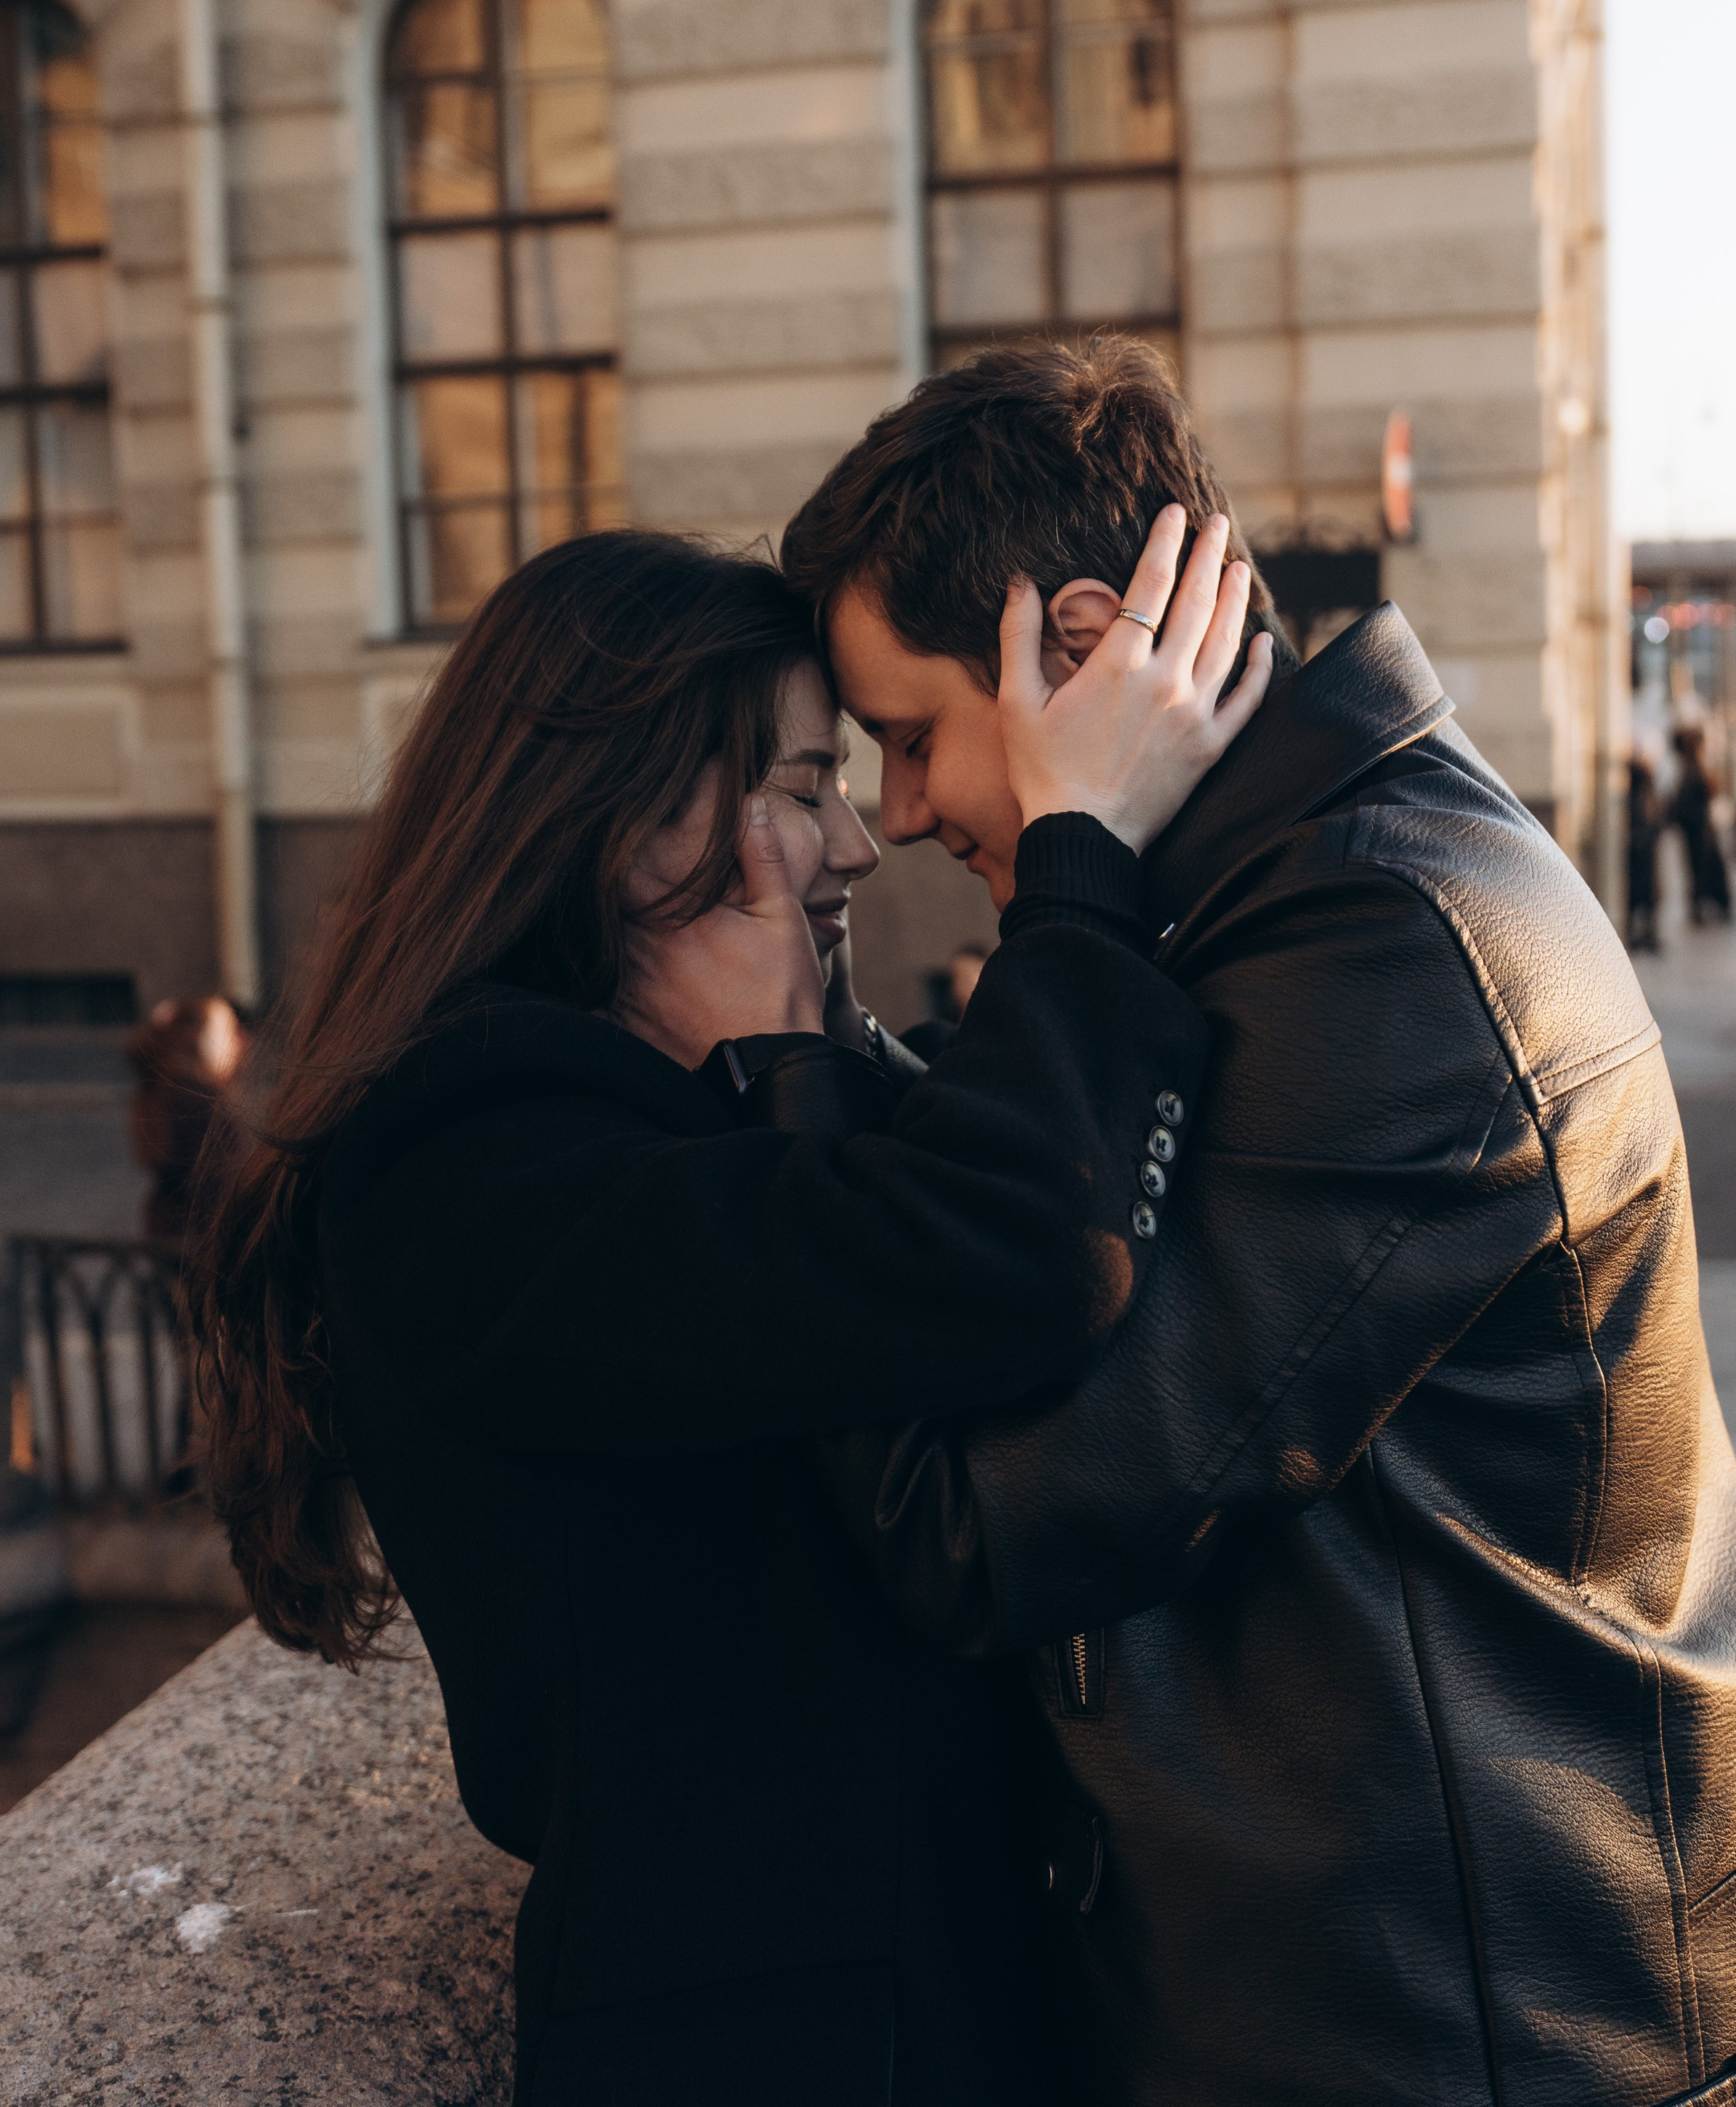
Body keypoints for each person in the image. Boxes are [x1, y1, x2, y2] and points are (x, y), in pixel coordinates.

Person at [782, 338, 1736, 2107]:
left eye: (907, 739)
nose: (889, 816)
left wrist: (774, 1074)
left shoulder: (1388, 951)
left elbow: (990, 1517)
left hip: (1499, 2044)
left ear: (1084, 648)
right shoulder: (1289, 892)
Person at [192, 523, 1270, 2107]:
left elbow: (958, 1193)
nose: (853, 841)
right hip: (760, 2046)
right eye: (802, 784)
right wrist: (1078, 851)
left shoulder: (653, 1111)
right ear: (625, 817)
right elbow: (1018, 1248)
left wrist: (788, 1056)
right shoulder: (469, 1157)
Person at [126, 993, 247, 1245]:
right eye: (229, 1031)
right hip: (206, 1238)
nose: (241, 1042)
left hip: (172, 1231)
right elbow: (217, 1183)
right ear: (201, 1041)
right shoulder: (201, 1100)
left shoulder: (163, 1091)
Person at [1668, 726, 1732, 924]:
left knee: (1705, 870)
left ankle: (1709, 906)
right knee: (1701, 870)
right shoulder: (1692, 769)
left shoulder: (1692, 768)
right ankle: (1703, 907)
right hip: (1697, 829)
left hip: (1699, 829)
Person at [1625, 750, 1662, 950]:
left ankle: (1645, 934)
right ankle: (1643, 934)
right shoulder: (1642, 792)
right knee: (1642, 897)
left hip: (1645, 854)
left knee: (1644, 898)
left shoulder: (1643, 792)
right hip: (1641, 854)